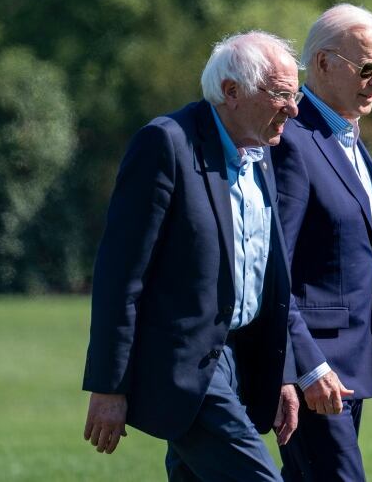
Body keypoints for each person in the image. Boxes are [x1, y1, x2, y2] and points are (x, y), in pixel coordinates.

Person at [82, 31, 304, 481]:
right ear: (231, 92)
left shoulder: (260, 156)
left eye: (294, 94)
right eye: (281, 94)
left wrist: (282, 371)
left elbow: (266, 276)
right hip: (182, 370)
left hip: (237, 363)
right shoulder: (165, 144)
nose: (293, 108)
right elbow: (120, 276)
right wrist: (108, 386)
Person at [270, 4, 372, 481]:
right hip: (316, 373)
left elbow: (355, 265)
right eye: (367, 67)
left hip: (350, 369)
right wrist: (306, 366)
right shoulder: (293, 142)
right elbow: (274, 269)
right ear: (322, 63)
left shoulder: (347, 139)